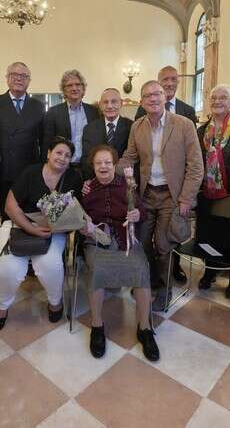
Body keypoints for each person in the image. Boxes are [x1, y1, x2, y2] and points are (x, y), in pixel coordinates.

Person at [118, 80, 203, 311]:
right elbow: (130, 157)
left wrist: (186, 198)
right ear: (142, 102)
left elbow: (196, 166)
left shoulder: (183, 124)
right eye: (147, 96)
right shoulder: (137, 127)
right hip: (146, 196)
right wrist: (104, 170)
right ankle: (151, 284)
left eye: (157, 94)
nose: (153, 99)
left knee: (164, 246)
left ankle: (165, 290)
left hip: (171, 196)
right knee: (143, 243)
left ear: (165, 96)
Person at [0, 137, 82, 330]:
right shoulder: (31, 172)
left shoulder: (74, 177)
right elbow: (10, 206)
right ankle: (2, 305)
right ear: (48, 154)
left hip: (52, 231)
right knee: (10, 268)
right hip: (18, 226)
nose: (62, 158)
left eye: (67, 155)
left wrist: (62, 226)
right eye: (58, 152)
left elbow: (76, 212)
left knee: (50, 265)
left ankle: (55, 301)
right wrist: (31, 229)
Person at [80, 145, 158, 361]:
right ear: (93, 166)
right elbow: (80, 216)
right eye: (98, 163)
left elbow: (142, 211)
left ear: (115, 165)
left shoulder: (128, 185)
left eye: (108, 162)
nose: (103, 166)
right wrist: (84, 224)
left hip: (126, 240)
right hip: (97, 241)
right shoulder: (87, 189)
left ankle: (145, 328)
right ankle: (97, 325)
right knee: (96, 269)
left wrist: (136, 214)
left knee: (141, 268)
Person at [195, 85, 230, 298]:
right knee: (209, 234)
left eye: (223, 98)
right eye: (214, 98)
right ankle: (210, 271)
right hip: (206, 193)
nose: (218, 101)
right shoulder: (201, 131)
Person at [0, 62, 45, 220]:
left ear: (29, 80)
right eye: (14, 75)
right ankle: (8, 244)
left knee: (30, 214)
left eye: (24, 76)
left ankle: (27, 244)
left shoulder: (38, 106)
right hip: (5, 170)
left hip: (30, 170)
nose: (19, 79)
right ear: (7, 78)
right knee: (8, 215)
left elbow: (43, 139)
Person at [42, 69, 99, 168]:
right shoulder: (53, 112)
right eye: (69, 85)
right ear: (64, 90)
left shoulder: (93, 111)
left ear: (83, 88)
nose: (74, 88)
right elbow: (47, 143)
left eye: (78, 84)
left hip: (88, 166)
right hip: (62, 166)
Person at [80, 88, 133, 179]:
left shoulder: (132, 126)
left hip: (123, 181)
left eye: (114, 102)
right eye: (105, 102)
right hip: (96, 180)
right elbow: (86, 159)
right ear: (100, 105)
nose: (109, 106)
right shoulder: (89, 129)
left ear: (121, 103)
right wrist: (89, 180)